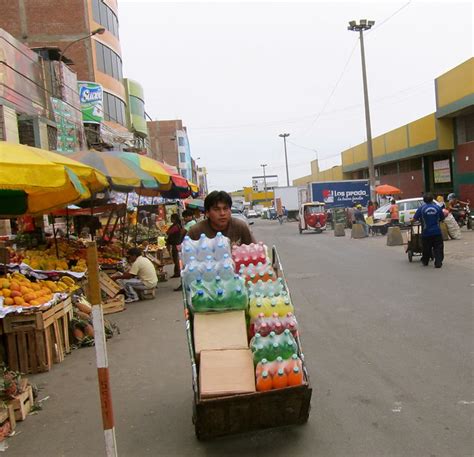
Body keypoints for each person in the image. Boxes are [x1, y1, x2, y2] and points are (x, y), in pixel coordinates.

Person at [187, 191, 256, 245]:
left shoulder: (240, 226)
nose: (222, 213)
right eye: (216, 209)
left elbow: (255, 250)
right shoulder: (195, 232)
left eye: (225, 208)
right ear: (207, 213)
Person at [413, 193, 445, 268]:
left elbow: (415, 219)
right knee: (438, 248)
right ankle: (438, 262)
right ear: (432, 199)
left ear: (424, 200)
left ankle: (425, 261)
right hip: (437, 232)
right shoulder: (437, 208)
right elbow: (442, 218)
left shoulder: (421, 208)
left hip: (426, 233)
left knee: (426, 248)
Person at [166, 213, 184, 278]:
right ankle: (177, 272)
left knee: (176, 259)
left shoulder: (175, 226)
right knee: (176, 258)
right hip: (177, 243)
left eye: (171, 218)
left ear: (174, 219)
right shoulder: (177, 225)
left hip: (175, 244)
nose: (171, 219)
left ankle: (177, 273)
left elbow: (168, 232)